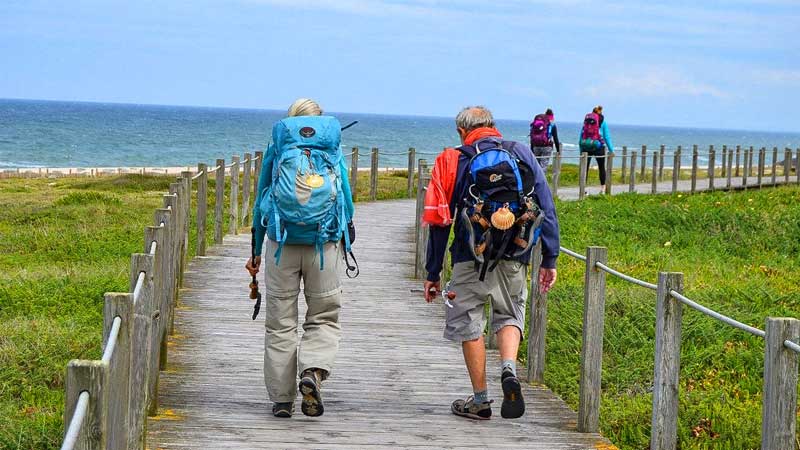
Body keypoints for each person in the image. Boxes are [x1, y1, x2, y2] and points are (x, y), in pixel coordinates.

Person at [422, 106, 560, 420]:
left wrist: (433, 272)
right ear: (494, 126)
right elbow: (546, 207)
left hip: (470, 255)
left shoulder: (452, 159)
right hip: (515, 250)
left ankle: (481, 400)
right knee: (509, 313)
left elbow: (440, 221)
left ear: (461, 131)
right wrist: (549, 257)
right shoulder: (521, 153)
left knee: (469, 322)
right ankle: (509, 370)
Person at [246, 98, 355, 418]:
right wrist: (345, 240)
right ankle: (312, 371)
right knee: (323, 316)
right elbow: (345, 198)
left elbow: (261, 197)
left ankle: (282, 399)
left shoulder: (278, 144)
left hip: (282, 243)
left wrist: (254, 249)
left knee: (280, 323)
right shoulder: (331, 146)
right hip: (324, 244)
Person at [578, 105, 614, 192]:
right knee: (601, 167)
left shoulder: (587, 121)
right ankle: (602, 188)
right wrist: (611, 150)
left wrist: (581, 149)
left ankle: (583, 189)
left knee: (585, 167)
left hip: (586, 146)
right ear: (601, 112)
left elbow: (581, 135)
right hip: (599, 146)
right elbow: (606, 136)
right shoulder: (603, 122)